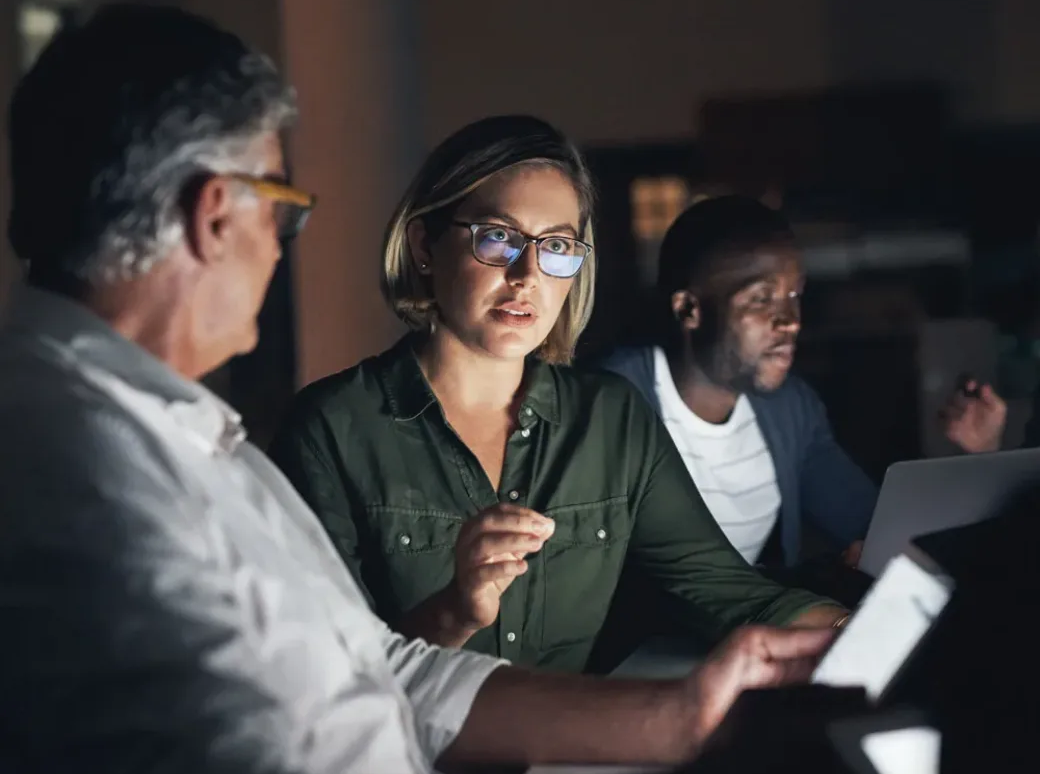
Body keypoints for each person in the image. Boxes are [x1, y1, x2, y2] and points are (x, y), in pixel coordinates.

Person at [0, 5, 845, 774]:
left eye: (558, 248)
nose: (282, 244)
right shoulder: (70, 463)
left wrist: (685, 715)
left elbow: (387, 668)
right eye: (280, 203)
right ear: (214, 213)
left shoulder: (175, 427)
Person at [269, 118, 848, 676]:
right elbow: (318, 674)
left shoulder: (610, 418)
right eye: (498, 238)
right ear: (424, 245)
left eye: (557, 247)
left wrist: (860, 629)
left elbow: (724, 589)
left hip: (566, 754)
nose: (528, 275)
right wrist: (454, 611)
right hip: (400, 767)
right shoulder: (331, 429)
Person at [599, 196, 877, 572]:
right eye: (762, 298)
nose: (791, 321)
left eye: (795, 295)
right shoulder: (609, 405)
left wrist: (977, 454)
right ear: (688, 310)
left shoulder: (791, 408)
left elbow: (869, 526)